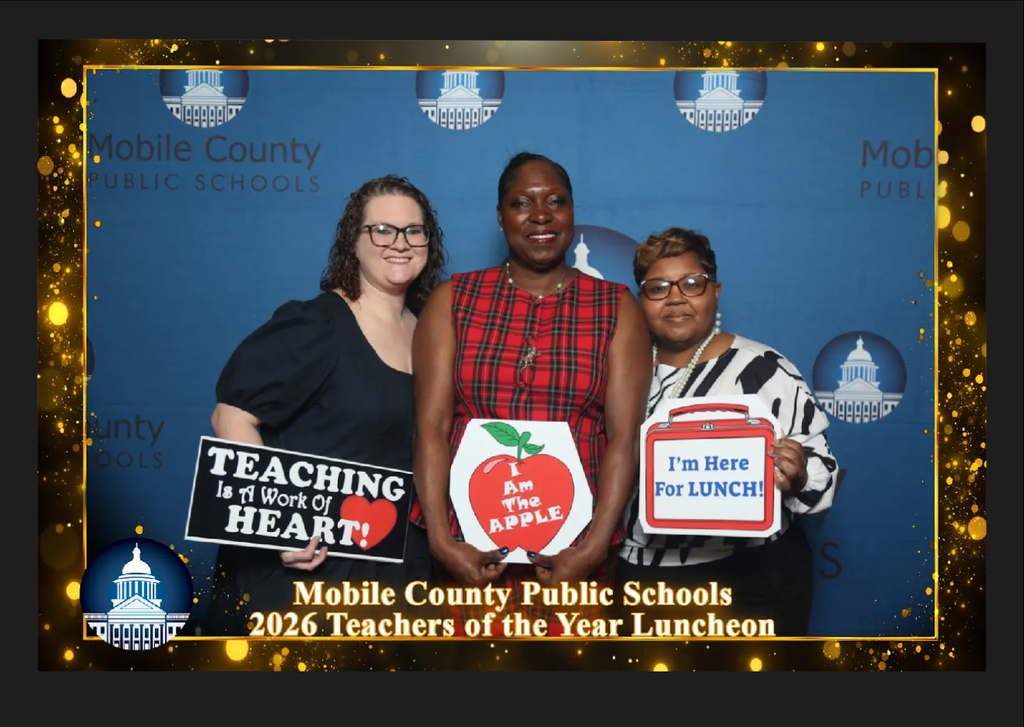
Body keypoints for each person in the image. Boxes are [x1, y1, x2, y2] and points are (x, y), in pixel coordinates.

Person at [411, 152, 652, 637]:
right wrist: (440, 539)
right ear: (501, 218)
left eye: (556, 202)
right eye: (522, 203)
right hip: (468, 550)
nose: (540, 215)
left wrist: (594, 546)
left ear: (572, 214)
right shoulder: (453, 299)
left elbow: (624, 438)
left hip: (574, 552)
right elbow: (431, 427)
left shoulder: (615, 308)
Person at [201, 175, 448, 636]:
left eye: (414, 231)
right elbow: (231, 414)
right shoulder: (317, 324)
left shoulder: (431, 331)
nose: (400, 243)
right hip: (310, 573)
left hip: (396, 569)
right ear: (352, 243)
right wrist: (278, 527)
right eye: (382, 230)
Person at [616, 227, 838, 638]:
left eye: (692, 284)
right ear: (641, 300)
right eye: (658, 287)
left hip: (749, 579)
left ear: (715, 292)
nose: (677, 297)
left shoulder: (764, 368)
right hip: (642, 580)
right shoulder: (619, 369)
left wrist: (800, 472)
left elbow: (822, 474)